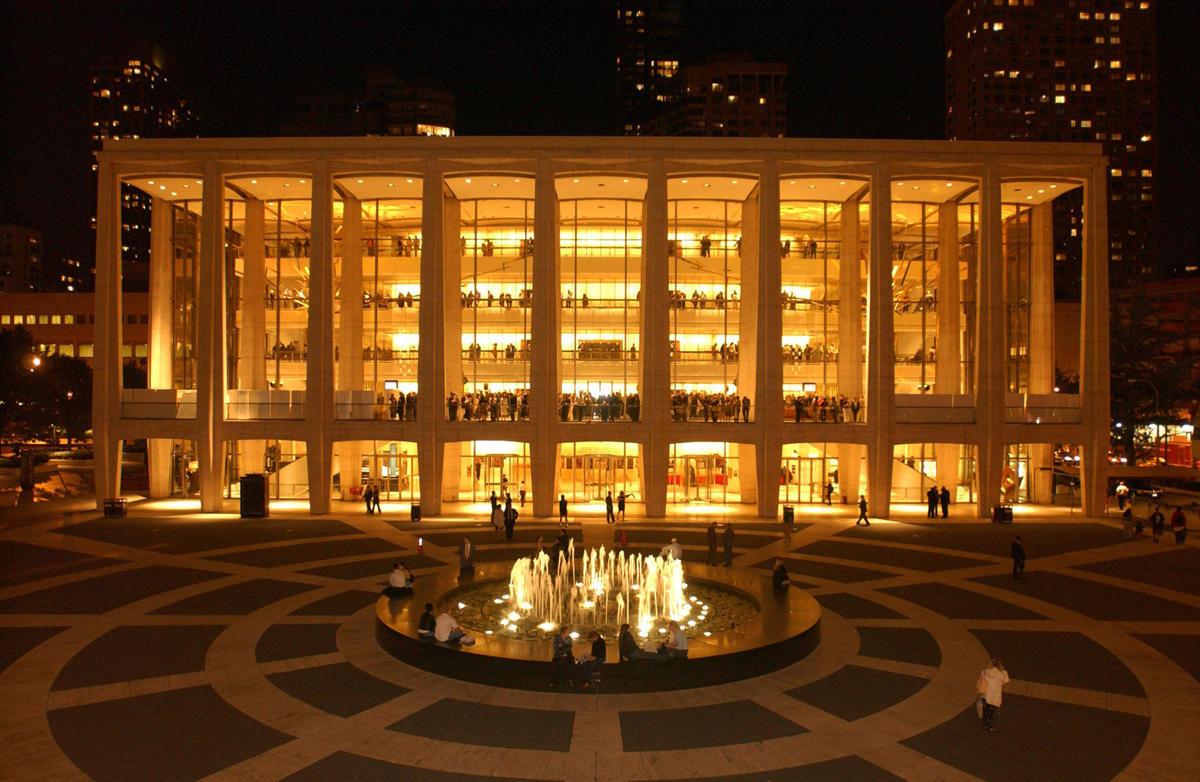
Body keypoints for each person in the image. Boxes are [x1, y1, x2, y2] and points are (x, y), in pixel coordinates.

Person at [977, 658, 1010, 732]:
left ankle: (985, 724)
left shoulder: (985, 672)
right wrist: (1003, 670)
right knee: (991, 712)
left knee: (985, 710)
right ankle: (990, 726)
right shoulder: (1000, 674)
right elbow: (1006, 680)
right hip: (994, 696)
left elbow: (981, 680)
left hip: (985, 694)